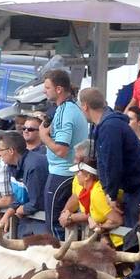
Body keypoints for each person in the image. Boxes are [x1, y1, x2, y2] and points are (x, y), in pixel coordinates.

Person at [80, 86, 140, 237]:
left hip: (138, 188)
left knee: (136, 237)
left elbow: (112, 164)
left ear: (85, 106)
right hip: (133, 187)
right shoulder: (107, 124)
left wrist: (110, 195)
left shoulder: (110, 127)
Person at [40, 68, 89, 236]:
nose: (43, 91)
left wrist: (43, 135)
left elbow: (61, 150)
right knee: (62, 223)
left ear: (58, 89)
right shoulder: (74, 106)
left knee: (54, 226)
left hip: (61, 173)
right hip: (71, 172)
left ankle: (56, 260)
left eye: (47, 87)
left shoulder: (65, 112)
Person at [60, 158, 123, 236]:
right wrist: (65, 213)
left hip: (116, 239)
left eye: (79, 172)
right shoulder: (81, 185)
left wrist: (100, 228)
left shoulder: (98, 194)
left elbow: (117, 220)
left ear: (87, 176)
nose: (76, 174)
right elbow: (75, 197)